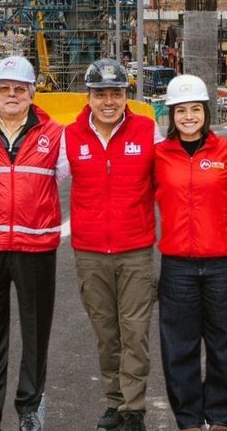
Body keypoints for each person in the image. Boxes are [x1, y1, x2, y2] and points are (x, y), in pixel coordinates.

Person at [0, 56, 66, 431]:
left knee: (36, 333)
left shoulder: (55, 134)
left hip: (35, 247)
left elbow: (76, 177)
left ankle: (30, 408)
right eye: (4, 88)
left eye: (19, 89)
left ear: (32, 93)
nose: (11, 95)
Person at [66, 58, 159, 431]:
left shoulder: (148, 131)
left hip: (135, 250)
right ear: (88, 97)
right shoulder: (70, 136)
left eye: (116, 94)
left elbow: (169, 176)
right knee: (106, 333)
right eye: (100, 94)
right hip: (90, 253)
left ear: (126, 96)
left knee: (135, 332)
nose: (108, 102)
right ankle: (114, 401)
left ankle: (134, 408)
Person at [154, 75, 227, 431]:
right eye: (181, 110)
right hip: (177, 266)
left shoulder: (225, 152)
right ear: (171, 115)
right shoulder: (159, 155)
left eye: (195, 109)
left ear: (206, 113)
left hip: (222, 264)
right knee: (179, 346)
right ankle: (190, 419)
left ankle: (222, 417)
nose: (189, 117)